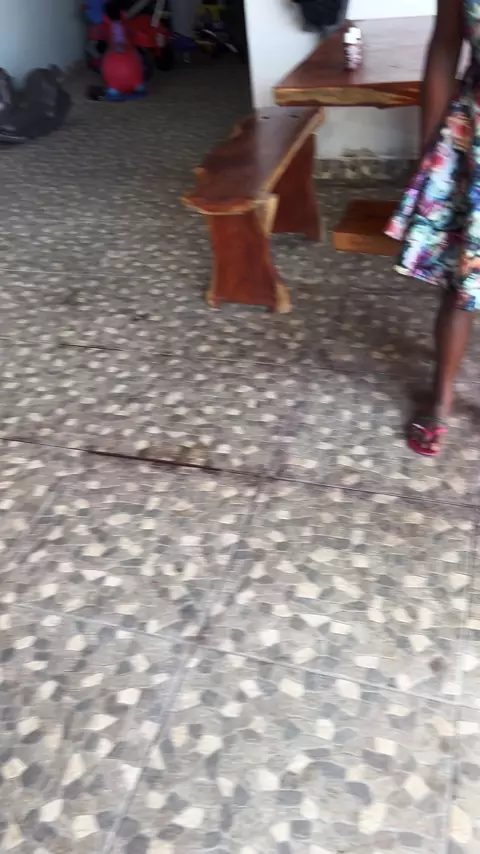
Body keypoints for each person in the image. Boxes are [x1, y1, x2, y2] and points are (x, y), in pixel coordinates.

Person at [385, 0, 478, 456]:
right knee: (462, 276)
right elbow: (444, 46)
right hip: (473, 135)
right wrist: (427, 147)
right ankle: (441, 397)